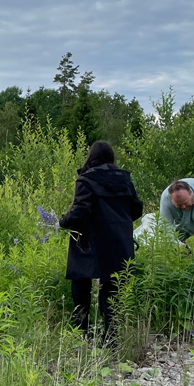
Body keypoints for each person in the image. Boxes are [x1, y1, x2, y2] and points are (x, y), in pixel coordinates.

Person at [58, 141, 143, 342]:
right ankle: (112, 337)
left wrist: (63, 221)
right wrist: (119, 223)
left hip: (89, 241)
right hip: (119, 240)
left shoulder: (86, 179)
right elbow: (136, 209)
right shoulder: (124, 180)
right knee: (112, 286)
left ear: (91, 157)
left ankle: (83, 332)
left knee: (80, 282)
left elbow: (81, 211)